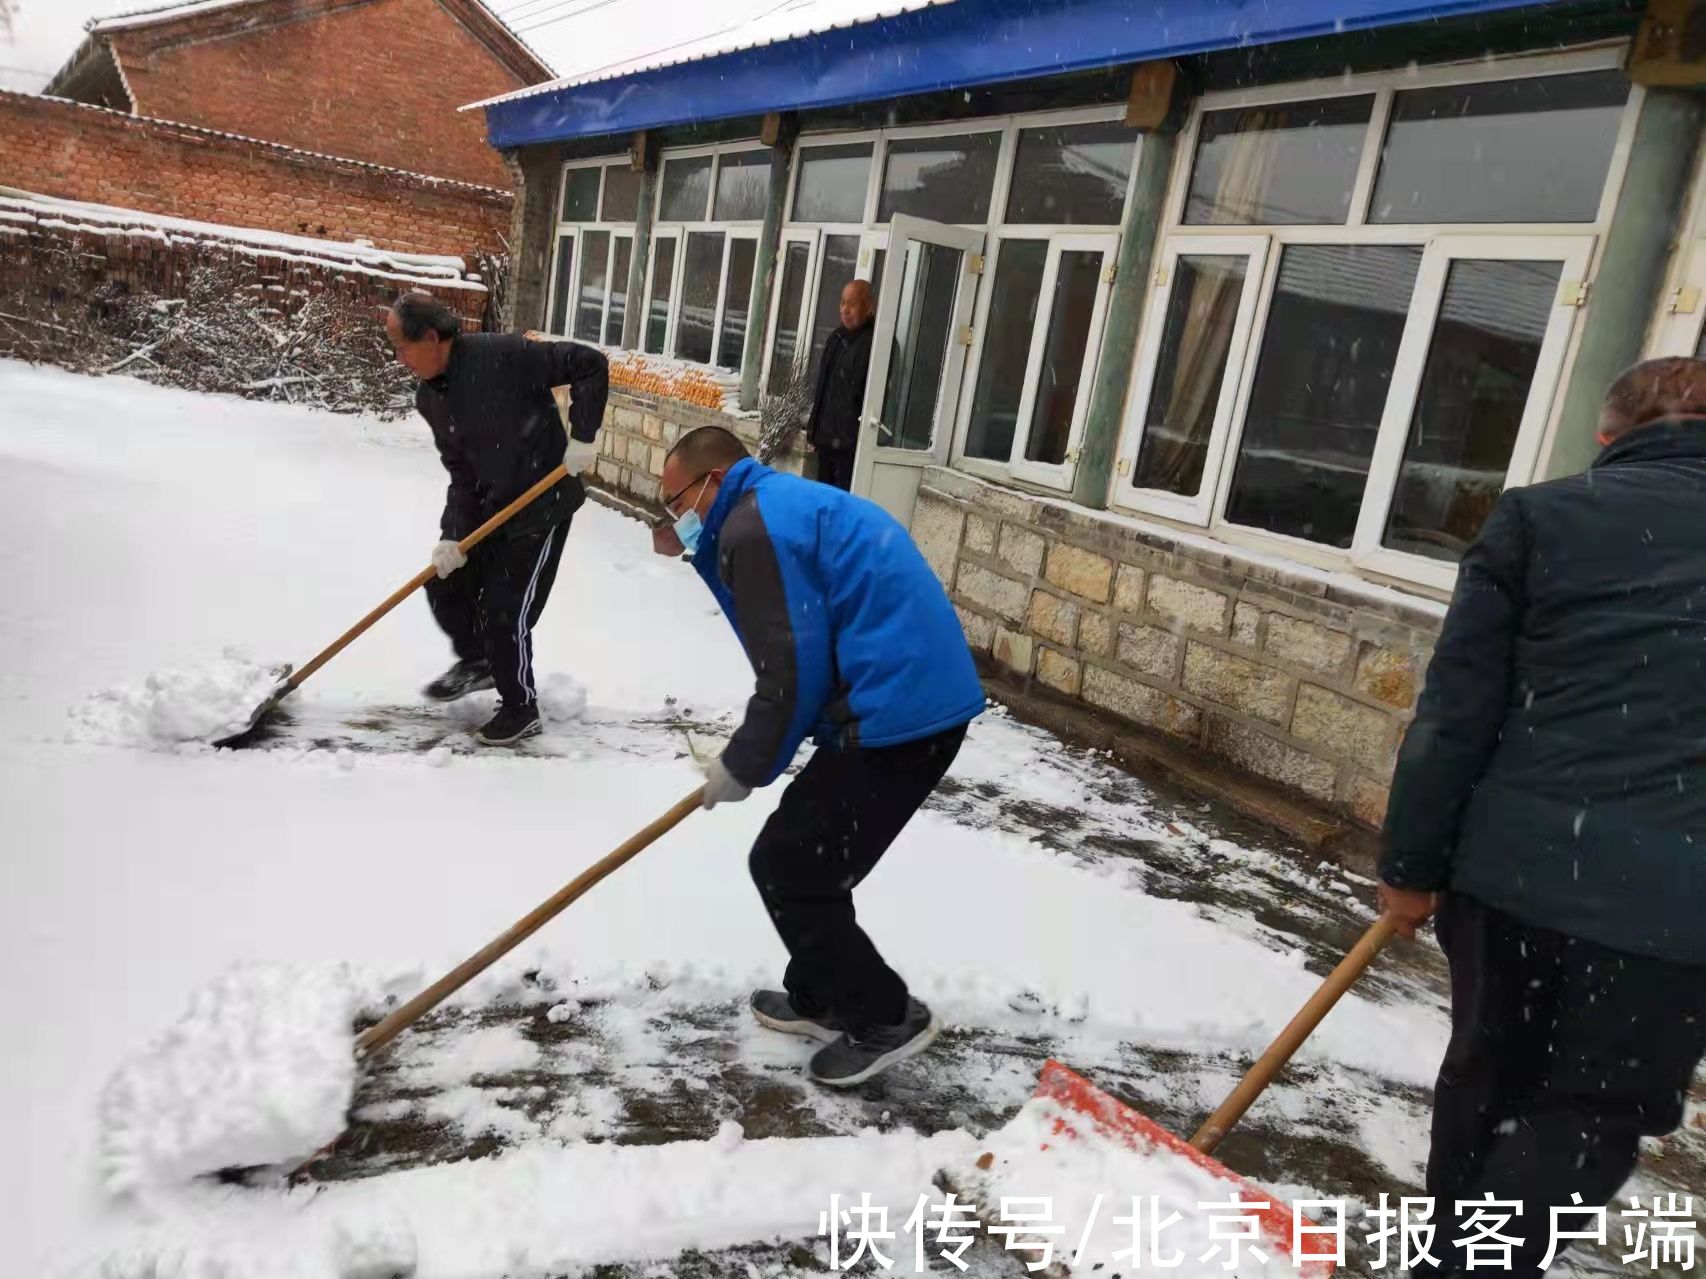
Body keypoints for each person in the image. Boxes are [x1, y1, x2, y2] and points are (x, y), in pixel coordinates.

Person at [1378, 356, 1706, 1278]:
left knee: (1487, 1076)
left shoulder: (1540, 517)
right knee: (1590, 1111)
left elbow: (1454, 713)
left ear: (1607, 440)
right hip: (1672, 919)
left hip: (1514, 880)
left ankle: (1453, 1256)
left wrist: (1412, 863)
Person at [652, 425, 984, 1086]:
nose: (674, 516)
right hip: (893, 699)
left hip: (900, 714)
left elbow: (793, 671)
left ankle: (886, 1014)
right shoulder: (767, 509)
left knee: (790, 863)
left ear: (713, 479)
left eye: (676, 500)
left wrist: (745, 763)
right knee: (805, 856)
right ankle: (823, 993)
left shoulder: (756, 529)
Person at [385, 292, 608, 746]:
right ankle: (481, 661)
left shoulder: (504, 355)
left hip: (540, 504)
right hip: (491, 508)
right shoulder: (431, 398)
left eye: (401, 346)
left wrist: (582, 436)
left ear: (430, 337)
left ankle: (521, 707)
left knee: (505, 609)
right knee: (445, 582)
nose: (398, 356)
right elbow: (462, 472)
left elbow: (589, 363)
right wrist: (453, 537)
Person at [805, 279, 875, 491]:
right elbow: (822, 387)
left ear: (868, 306)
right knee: (824, 498)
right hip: (826, 439)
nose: (845, 310)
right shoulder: (836, 337)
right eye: (842, 303)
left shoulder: (874, 343)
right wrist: (813, 430)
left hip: (851, 446)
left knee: (842, 502)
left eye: (852, 304)